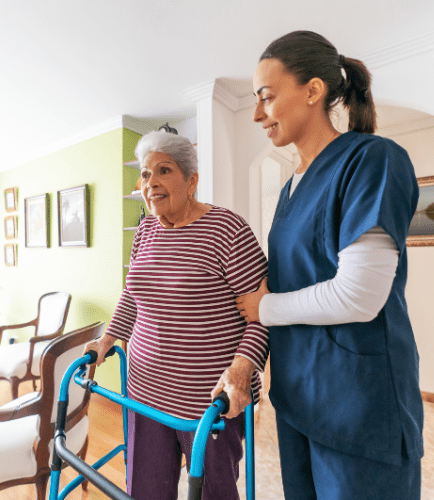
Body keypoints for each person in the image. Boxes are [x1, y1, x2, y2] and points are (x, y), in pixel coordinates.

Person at [236, 30, 424, 500]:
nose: (258, 114)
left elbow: (358, 295)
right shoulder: (289, 189)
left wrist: (265, 308)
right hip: (299, 399)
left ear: (313, 91)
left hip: (359, 407)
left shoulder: (372, 160)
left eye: (266, 97)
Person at [84, 130, 269, 500]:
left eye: (163, 170)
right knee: (147, 489)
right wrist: (108, 337)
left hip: (208, 401)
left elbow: (262, 316)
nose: (150, 182)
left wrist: (243, 368)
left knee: (214, 491)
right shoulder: (146, 229)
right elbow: (133, 295)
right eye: (145, 174)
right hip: (143, 391)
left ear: (192, 180)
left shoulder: (228, 230)